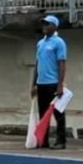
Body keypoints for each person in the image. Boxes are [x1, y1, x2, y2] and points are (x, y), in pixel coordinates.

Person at [32, 15, 68, 149]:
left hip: (53, 83)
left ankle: (61, 141)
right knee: (43, 114)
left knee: (58, 114)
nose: (44, 27)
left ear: (54, 26)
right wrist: (34, 84)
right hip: (41, 84)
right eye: (43, 24)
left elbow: (62, 64)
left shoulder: (59, 42)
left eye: (47, 24)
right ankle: (43, 140)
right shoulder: (40, 43)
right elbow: (37, 65)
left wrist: (60, 84)